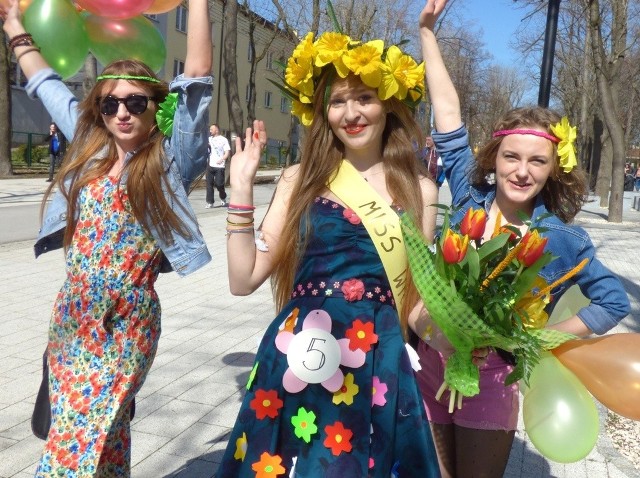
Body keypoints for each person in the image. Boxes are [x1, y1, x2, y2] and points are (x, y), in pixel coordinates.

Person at [415, 1, 630, 477]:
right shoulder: (469, 197)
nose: (522, 171)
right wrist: (427, 33)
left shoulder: (560, 237)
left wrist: (537, 338)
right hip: (432, 365)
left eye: (538, 161)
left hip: (493, 378)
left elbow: (613, 300)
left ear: (554, 169)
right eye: (512, 156)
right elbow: (448, 118)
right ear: (494, 158)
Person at [216, 27, 441, 477]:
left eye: (365, 99)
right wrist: (240, 189)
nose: (351, 113)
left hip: (378, 358)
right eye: (338, 101)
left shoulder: (421, 190)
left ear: (389, 106)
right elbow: (243, 280)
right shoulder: (299, 179)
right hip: (303, 349)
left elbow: (415, 300)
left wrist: (453, 337)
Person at [1, 0, 212, 475]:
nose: (122, 112)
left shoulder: (167, 161)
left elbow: (197, 76)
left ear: (155, 108)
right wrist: (14, 24)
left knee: (72, 442)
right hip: (73, 313)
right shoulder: (88, 147)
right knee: (105, 435)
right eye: (110, 102)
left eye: (136, 102)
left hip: (127, 322)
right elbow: (45, 83)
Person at [205, 123, 231, 208]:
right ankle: (210, 202)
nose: (210, 131)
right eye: (210, 130)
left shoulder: (223, 139)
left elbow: (227, 152)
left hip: (219, 166)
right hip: (210, 165)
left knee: (219, 184)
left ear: (216, 130)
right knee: (209, 184)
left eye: (211, 129)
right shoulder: (208, 139)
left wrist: (222, 159)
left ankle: (223, 197)